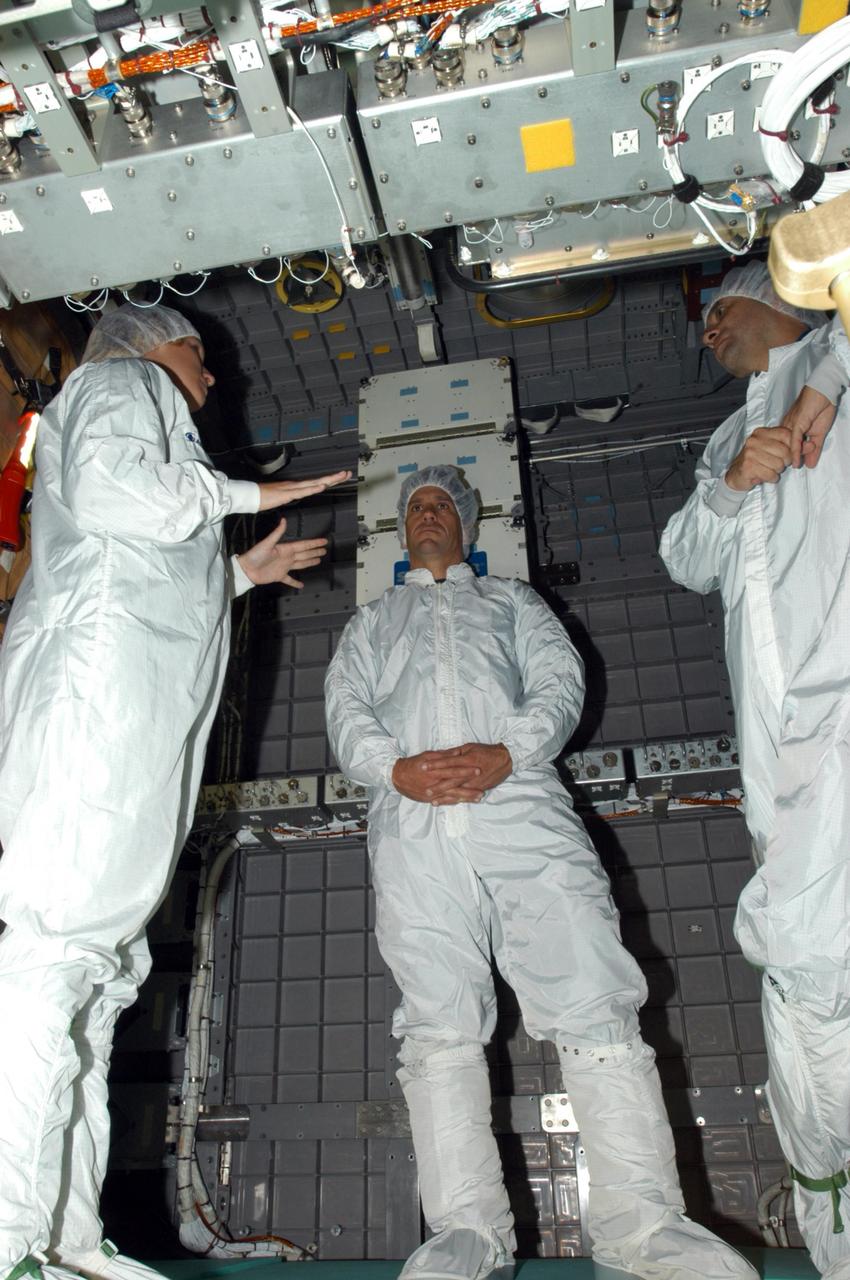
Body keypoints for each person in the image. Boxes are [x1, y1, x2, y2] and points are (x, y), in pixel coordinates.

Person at [325, 463, 757, 1280]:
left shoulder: (513, 602)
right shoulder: (372, 622)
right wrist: (392, 768)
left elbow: (560, 681)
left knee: (591, 988)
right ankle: (467, 1232)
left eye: (440, 505)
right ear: (402, 530)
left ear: (465, 524)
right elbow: (346, 706)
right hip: (411, 820)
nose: (427, 515)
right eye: (415, 507)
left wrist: (510, 750)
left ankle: (642, 1226)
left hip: (520, 802)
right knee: (438, 1015)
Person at [0, 305, 349, 1280]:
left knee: (97, 985)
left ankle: (64, 1238)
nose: (211, 369)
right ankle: (9, 1234)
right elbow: (115, 494)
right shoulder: (124, 382)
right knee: (54, 952)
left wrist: (236, 572)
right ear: (151, 342)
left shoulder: (148, 413)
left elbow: (137, 560)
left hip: (131, 717)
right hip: (96, 703)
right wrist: (242, 491)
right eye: (198, 348)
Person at [660, 261, 850, 1280]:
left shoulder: (834, 361)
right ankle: (830, 1196)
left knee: (810, 945)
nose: (708, 331)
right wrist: (732, 483)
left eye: (719, 308)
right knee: (803, 949)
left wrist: (831, 372)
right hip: (778, 722)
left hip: (841, 676)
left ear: (779, 293)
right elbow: (685, 555)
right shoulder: (728, 435)